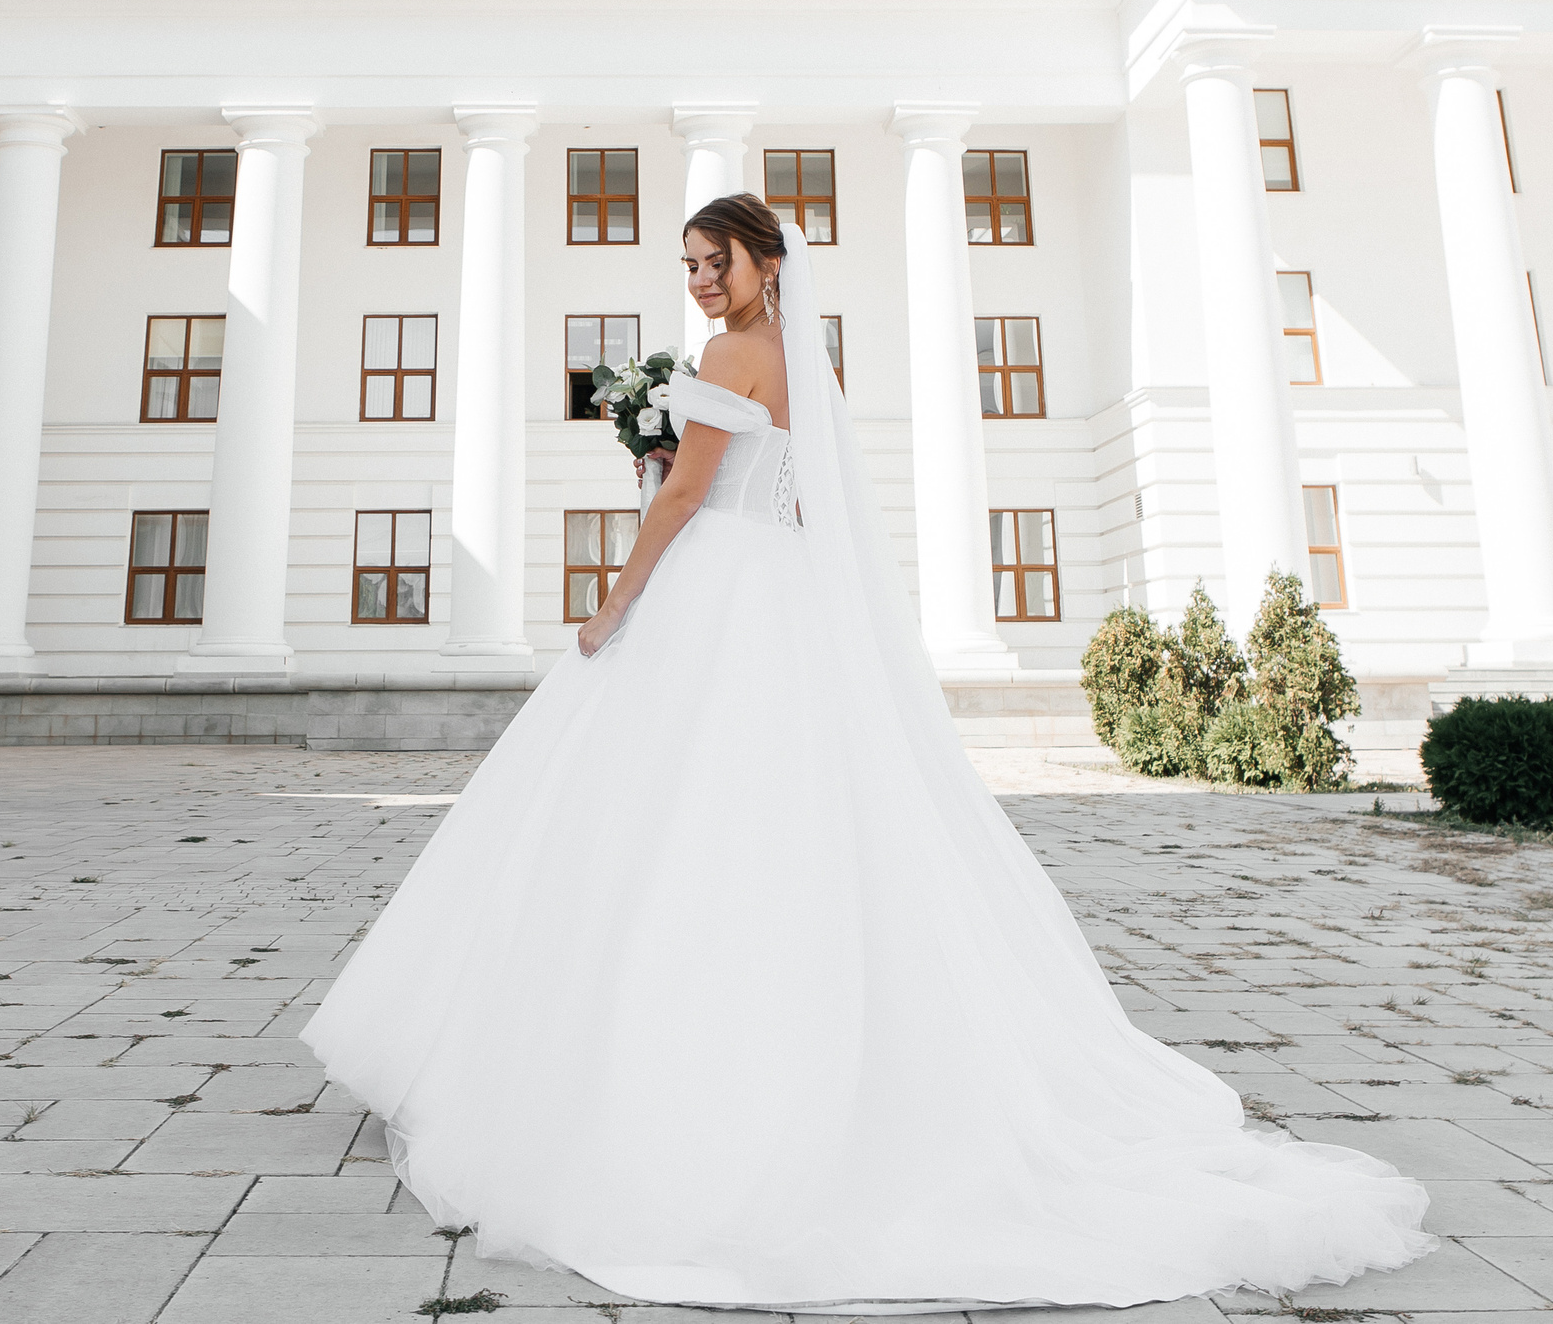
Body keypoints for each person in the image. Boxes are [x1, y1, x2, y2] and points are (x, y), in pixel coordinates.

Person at [304, 194, 1436, 1313]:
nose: (698, 279)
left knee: (656, 818)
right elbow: (796, 500)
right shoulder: (806, 361)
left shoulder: (728, 350)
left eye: (713, 259)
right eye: (688, 265)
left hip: (716, 589)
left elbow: (692, 491)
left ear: (762, 261)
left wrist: (613, 601)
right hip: (779, 593)